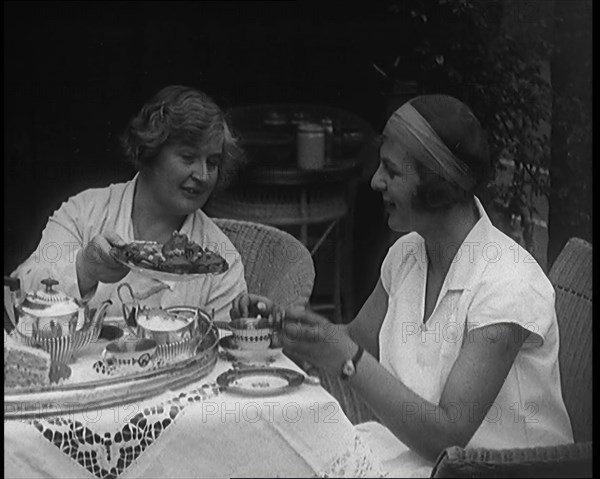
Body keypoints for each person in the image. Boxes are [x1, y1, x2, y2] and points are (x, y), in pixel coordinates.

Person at [231, 95, 574, 476]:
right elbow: (357, 340)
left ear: (437, 187)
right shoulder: (408, 254)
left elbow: (448, 438)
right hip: (411, 457)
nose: (376, 181)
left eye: (392, 172)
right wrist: (287, 329)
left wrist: (347, 360)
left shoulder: (507, 284)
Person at [11, 85, 247, 324]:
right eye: (188, 157)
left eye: (213, 162)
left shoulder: (219, 259)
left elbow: (225, 351)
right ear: (149, 151)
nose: (203, 175)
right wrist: (85, 270)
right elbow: (20, 296)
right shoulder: (84, 214)